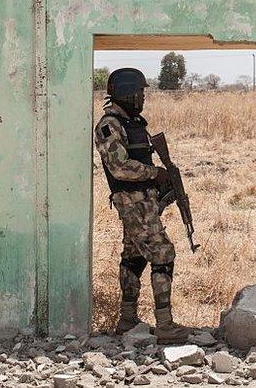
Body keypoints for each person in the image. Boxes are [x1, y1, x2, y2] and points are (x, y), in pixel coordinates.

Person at [94, 68, 191, 343]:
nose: (143, 98)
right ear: (127, 93)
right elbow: (119, 167)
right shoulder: (109, 125)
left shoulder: (132, 122)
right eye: (140, 93)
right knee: (163, 254)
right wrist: (155, 174)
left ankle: (127, 320)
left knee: (134, 256)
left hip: (142, 200)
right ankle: (165, 326)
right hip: (132, 201)